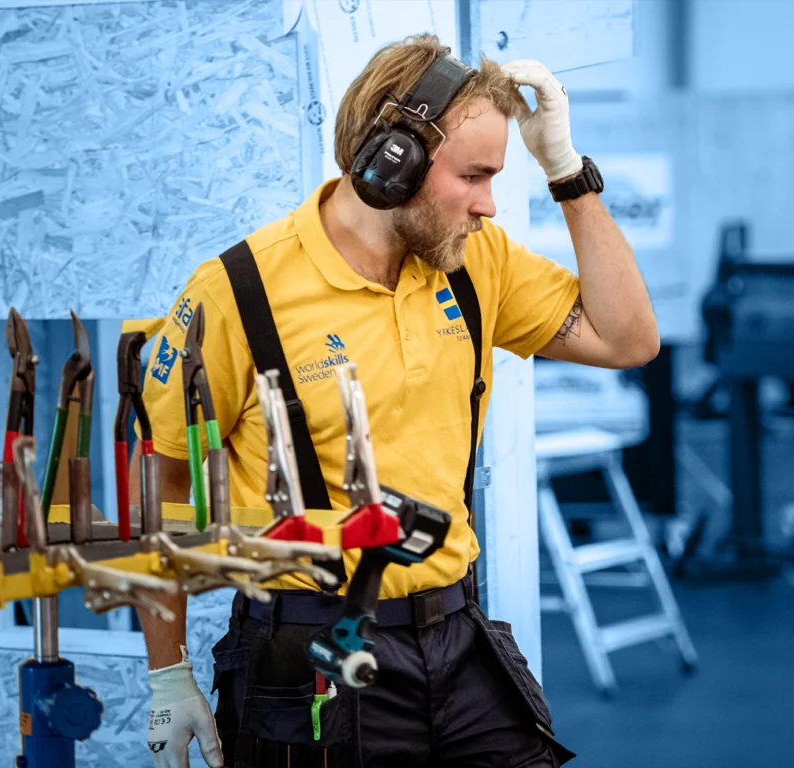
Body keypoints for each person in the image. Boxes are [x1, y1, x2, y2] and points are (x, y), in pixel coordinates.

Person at [135, 33, 659, 768]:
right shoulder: (237, 293)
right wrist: (168, 675)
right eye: (475, 176)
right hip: (313, 652)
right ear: (394, 161)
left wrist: (567, 173)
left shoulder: (477, 263)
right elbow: (161, 485)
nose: (489, 206)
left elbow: (629, 338)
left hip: (456, 633)